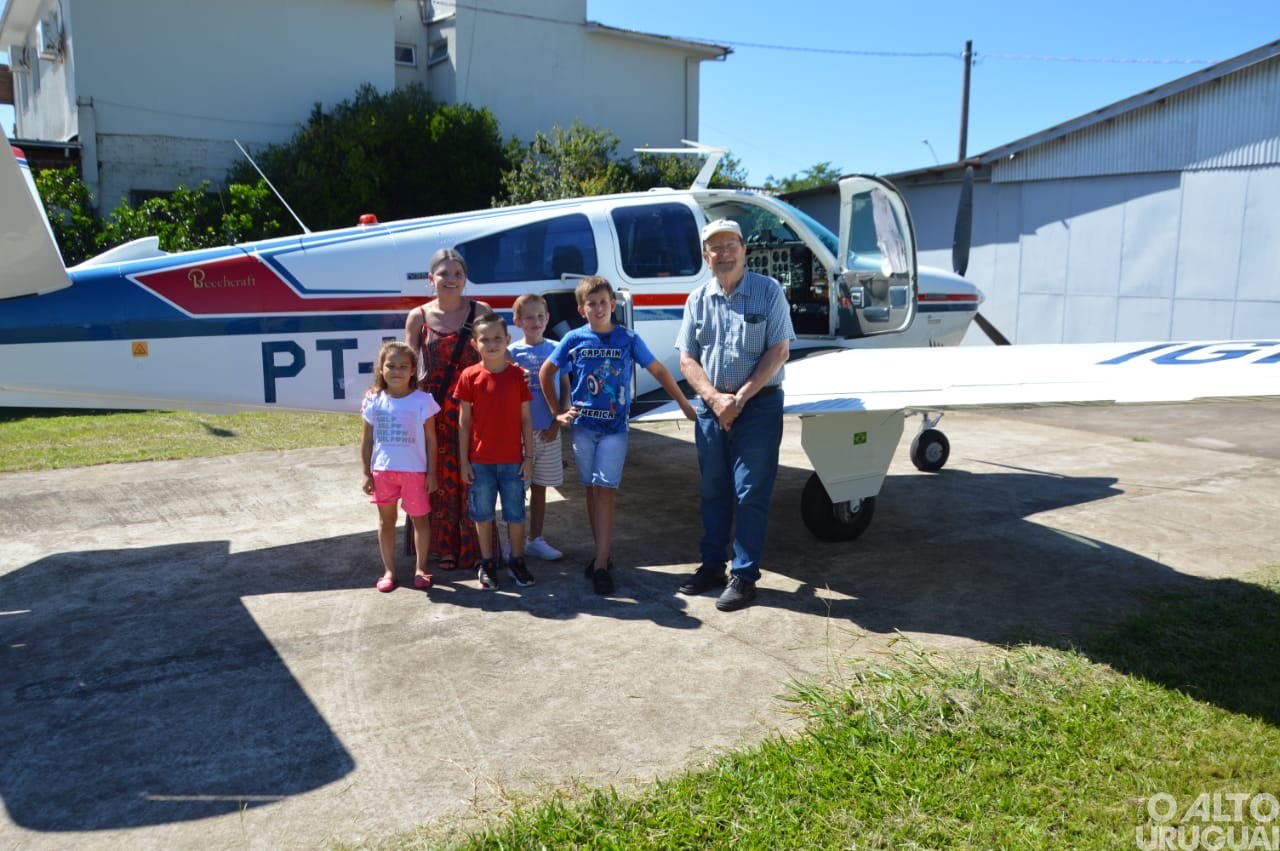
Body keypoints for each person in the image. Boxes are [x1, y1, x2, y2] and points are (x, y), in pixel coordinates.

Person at [540, 276, 695, 595]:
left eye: (603, 302)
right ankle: (602, 554)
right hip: (583, 428)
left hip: (614, 429)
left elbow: (659, 370)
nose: (598, 308)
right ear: (581, 309)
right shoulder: (574, 338)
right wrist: (557, 411)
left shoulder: (628, 338)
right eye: (591, 304)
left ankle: (600, 563)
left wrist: (683, 403)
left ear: (613, 304)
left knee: (606, 490)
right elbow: (546, 372)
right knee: (591, 489)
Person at [675, 219, 796, 611]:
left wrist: (739, 399)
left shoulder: (768, 291)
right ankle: (712, 566)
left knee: (750, 491)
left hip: (758, 405)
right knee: (713, 488)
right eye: (715, 247)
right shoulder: (697, 300)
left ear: (744, 250)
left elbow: (779, 350)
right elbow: (687, 358)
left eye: (731, 245)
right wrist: (715, 400)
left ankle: (744, 577)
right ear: (705, 256)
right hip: (711, 408)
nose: (724, 253)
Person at [405, 247, 493, 572]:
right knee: (439, 482)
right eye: (444, 274)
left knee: (474, 480)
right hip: (434, 415)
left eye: (458, 274)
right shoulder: (418, 317)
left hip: (474, 411)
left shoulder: (481, 311)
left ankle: (476, 548)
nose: (451, 279)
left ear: (465, 278)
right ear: (431, 279)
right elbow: (408, 367)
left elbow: (495, 354)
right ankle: (445, 548)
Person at [456, 312, 535, 589]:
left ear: (508, 339)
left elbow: (526, 419)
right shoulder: (469, 376)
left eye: (497, 338)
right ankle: (487, 562)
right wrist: (464, 461)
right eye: (485, 339)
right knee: (483, 515)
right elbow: (464, 422)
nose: (492, 344)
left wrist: (529, 457)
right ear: (474, 344)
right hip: (480, 462)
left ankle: (517, 561)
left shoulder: (517, 376)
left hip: (513, 461)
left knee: (516, 514)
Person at [360, 340, 441, 592]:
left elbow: (431, 440)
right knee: (386, 521)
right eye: (391, 365)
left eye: (403, 366)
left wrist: (431, 473)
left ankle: (421, 569)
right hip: (383, 472)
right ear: (381, 369)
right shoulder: (373, 401)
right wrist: (365, 473)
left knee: (420, 520)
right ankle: (389, 571)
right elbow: (367, 439)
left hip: (415, 473)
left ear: (413, 370)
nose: (397, 371)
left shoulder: (423, 401)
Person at [508, 293, 571, 561]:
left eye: (540, 316)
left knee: (541, 487)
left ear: (548, 318)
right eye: (529, 317)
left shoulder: (558, 348)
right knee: (515, 489)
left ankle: (536, 538)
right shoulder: (511, 353)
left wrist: (558, 422)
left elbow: (565, 386)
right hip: (518, 435)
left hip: (548, 431)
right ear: (518, 321)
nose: (536, 321)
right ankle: (513, 542)